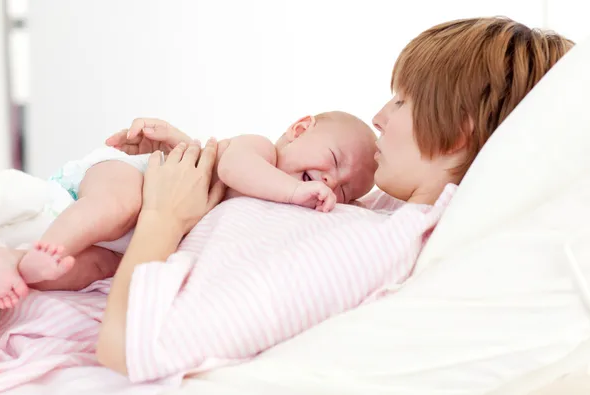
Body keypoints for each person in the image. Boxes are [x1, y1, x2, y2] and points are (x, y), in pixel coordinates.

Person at [92, 17, 573, 377]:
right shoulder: (379, 213)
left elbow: (136, 347)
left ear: (459, 132)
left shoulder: (375, 246)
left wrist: (162, 215)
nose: (380, 117)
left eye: (402, 101)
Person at [0, 111, 377, 309]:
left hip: (133, 237)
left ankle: (17, 265)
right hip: (131, 178)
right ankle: (47, 247)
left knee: (96, 270)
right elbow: (228, 168)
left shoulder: (283, 200)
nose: (329, 181)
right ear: (300, 128)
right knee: (117, 206)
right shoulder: (260, 151)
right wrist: (295, 191)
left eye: (344, 188)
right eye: (333, 160)